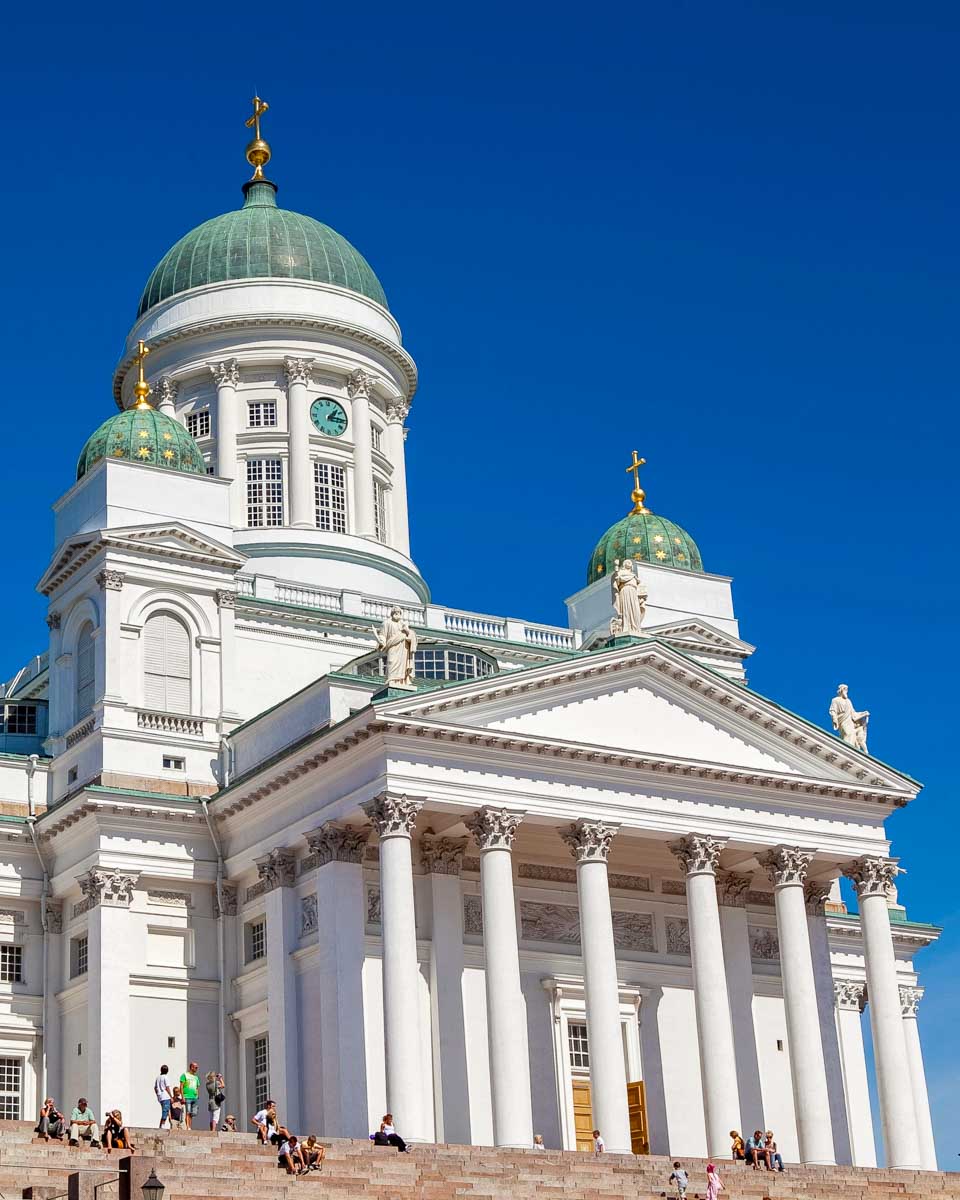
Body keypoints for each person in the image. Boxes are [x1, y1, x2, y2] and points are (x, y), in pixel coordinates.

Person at [180, 1061, 200, 1130]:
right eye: (196, 1067)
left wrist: (197, 1095)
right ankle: (188, 1126)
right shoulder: (184, 1075)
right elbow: (181, 1086)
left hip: (194, 1097)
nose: (197, 1069)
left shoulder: (196, 1077)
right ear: (191, 1067)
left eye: (197, 1067)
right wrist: (182, 1097)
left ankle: (189, 1126)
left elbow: (197, 1087)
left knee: (193, 1113)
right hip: (187, 1096)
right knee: (188, 1112)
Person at [154, 1064, 173, 1129]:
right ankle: (163, 1125)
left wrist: (158, 1095)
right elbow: (167, 1087)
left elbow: (155, 1088)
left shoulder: (158, 1077)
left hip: (160, 1097)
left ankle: (161, 1125)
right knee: (165, 1111)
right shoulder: (165, 1077)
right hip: (165, 1096)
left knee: (165, 1110)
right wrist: (171, 1096)